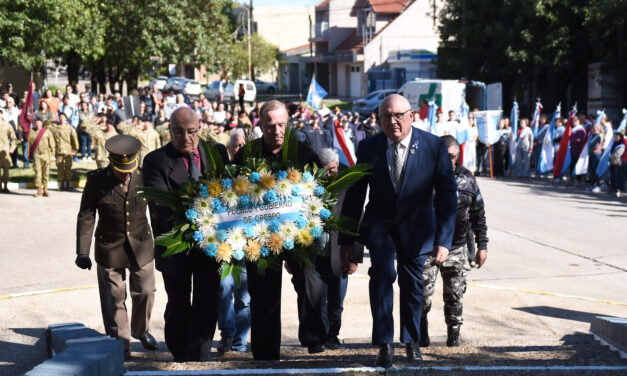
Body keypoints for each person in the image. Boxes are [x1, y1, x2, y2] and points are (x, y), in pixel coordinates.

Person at [339, 94, 457, 369]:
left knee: (413, 284)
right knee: (382, 277)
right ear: (378, 120)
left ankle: (412, 341)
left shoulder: (433, 146)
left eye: (398, 115)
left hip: (418, 227)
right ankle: (384, 343)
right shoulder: (368, 147)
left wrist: (444, 240)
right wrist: (347, 240)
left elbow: (447, 196)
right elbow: (356, 195)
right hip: (381, 226)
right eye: (386, 117)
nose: (393, 121)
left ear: (411, 116)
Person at [231, 100, 322, 360]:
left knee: (309, 278)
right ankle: (265, 352)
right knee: (263, 294)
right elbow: (231, 197)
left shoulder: (304, 154)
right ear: (260, 125)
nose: (277, 130)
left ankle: (314, 337)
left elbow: (319, 195)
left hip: (297, 234)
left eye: (282, 124)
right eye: (270, 125)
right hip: (259, 236)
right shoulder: (247, 154)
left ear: (288, 124)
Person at [143, 107, 229, 362]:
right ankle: (179, 354)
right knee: (178, 303)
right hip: (175, 245)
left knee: (207, 303)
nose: (185, 138)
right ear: (168, 131)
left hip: (210, 246)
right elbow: (163, 206)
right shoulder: (155, 161)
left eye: (191, 132)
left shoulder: (217, 153)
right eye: (178, 132)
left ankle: (199, 357)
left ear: (199, 130)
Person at [76, 134, 158, 359]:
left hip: (141, 244)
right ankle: (120, 348)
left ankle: (140, 330)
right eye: (122, 170)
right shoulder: (97, 180)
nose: (126, 173)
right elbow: (86, 215)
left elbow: (158, 208)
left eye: (130, 168)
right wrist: (82, 251)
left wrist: (162, 242)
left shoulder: (144, 177)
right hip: (109, 246)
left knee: (146, 292)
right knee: (113, 299)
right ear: (111, 162)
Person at [421, 135, 488, 348]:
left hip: (457, 248)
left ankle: (454, 338)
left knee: (455, 296)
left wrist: (482, 246)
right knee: (422, 298)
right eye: (444, 156)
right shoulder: (422, 176)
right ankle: (421, 334)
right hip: (427, 248)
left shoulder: (467, 179)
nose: (448, 160)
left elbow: (478, 214)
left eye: (452, 157)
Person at [310, 148, 352, 350]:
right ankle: (318, 338)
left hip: (339, 254)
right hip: (316, 254)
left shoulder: (347, 182)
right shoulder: (307, 184)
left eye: (332, 169)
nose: (329, 174)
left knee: (336, 302)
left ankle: (333, 336)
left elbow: (355, 219)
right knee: (317, 302)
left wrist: (353, 258)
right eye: (325, 170)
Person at [52, 113, 79, 191]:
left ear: (66, 118)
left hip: (68, 151)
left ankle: (68, 184)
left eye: (63, 117)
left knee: (68, 168)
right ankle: (62, 185)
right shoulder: (56, 128)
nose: (61, 119)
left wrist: (75, 150)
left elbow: (75, 139)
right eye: (60, 117)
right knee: (60, 168)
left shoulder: (70, 128)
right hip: (59, 150)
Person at [29, 119, 55, 197]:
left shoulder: (47, 132)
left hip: (46, 155)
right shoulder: (31, 132)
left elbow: (52, 143)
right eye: (36, 123)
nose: (37, 125)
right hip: (36, 155)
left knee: (46, 173)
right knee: (38, 173)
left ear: (41, 123)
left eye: (39, 123)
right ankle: (39, 190)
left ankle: (45, 190)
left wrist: (53, 155)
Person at [0, 109, 17, 192]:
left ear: (1, 115)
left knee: (6, 170)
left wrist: (12, 148)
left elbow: (13, 138)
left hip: (4, 151)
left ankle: (5, 186)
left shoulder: (7, 125)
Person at [609, 132, 625, 197]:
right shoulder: (613, 144)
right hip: (611, 163)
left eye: (617, 137)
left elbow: (617, 154)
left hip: (617, 163)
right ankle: (613, 188)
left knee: (617, 177)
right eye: (615, 137)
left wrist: (610, 157)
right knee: (612, 177)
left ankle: (618, 190)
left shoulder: (621, 145)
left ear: (620, 138)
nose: (615, 138)